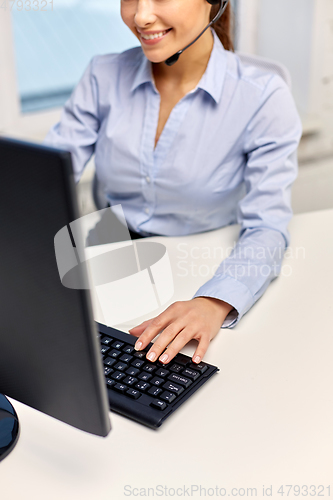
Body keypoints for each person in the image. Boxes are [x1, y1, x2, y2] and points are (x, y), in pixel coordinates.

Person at [43, 0, 302, 367]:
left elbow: (268, 227)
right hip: (111, 260)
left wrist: (214, 302)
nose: (140, 15)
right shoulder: (103, 74)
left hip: (206, 264)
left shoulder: (262, 94)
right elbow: (45, 180)